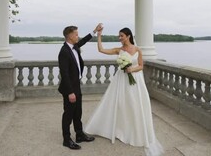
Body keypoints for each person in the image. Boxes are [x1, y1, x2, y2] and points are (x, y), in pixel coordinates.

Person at [85, 27, 164, 156]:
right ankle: (119, 129)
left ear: (128, 36)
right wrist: (99, 35)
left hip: (135, 81)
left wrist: (131, 70)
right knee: (120, 104)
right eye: (119, 36)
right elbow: (101, 50)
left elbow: (141, 66)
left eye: (121, 36)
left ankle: (135, 131)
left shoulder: (138, 49)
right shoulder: (119, 50)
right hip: (121, 80)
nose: (119, 38)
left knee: (134, 104)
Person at [58, 24, 102, 150]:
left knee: (78, 112)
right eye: (76, 34)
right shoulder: (64, 52)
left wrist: (94, 31)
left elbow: (83, 41)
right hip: (69, 88)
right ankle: (66, 139)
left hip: (76, 85)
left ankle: (79, 134)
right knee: (68, 114)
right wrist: (70, 92)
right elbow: (64, 74)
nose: (78, 36)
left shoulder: (75, 46)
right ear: (70, 36)